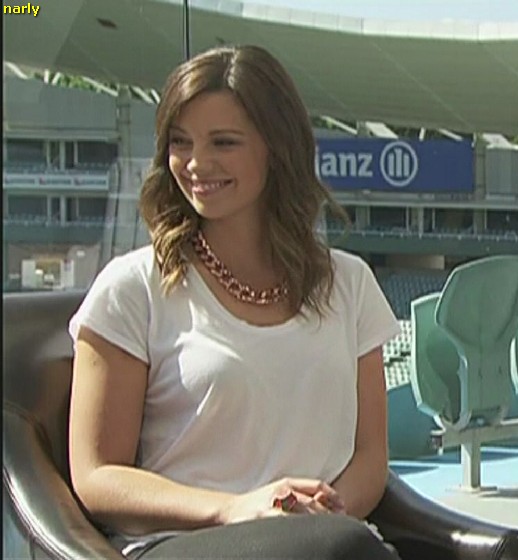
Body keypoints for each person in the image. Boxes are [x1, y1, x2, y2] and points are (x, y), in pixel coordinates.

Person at [67, 45, 402, 559]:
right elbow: (97, 476)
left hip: (332, 544)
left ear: (277, 148)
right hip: (185, 544)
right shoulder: (132, 289)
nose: (196, 163)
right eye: (180, 142)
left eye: (223, 142)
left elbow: (370, 458)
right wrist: (235, 508)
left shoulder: (350, 284)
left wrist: (313, 519)